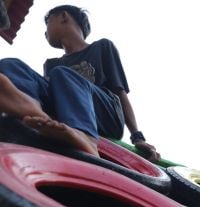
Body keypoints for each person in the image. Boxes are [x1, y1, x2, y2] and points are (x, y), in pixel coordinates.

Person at [0, 5, 159, 161]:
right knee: (11, 64)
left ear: (63, 16)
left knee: (62, 74)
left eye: (47, 24)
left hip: (104, 114)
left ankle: (86, 136)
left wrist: (137, 137)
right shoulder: (51, 64)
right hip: (66, 113)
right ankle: (29, 108)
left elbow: (120, 93)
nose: (45, 33)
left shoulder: (101, 47)